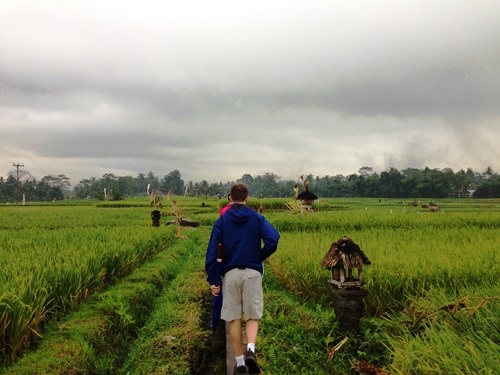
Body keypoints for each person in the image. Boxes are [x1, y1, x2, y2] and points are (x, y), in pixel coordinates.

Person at [205, 183, 280, 375]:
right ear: (247, 198)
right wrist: (259, 256)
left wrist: (213, 279)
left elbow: (212, 253)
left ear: (230, 199)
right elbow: (273, 238)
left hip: (230, 274)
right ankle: (251, 350)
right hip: (253, 273)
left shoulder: (222, 221)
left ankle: (239, 363)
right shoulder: (256, 217)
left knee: (233, 318)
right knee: (252, 315)